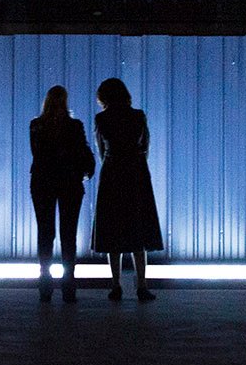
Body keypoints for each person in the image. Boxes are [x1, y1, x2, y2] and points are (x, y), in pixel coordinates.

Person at [89, 77, 162, 302]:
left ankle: (116, 286)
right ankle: (141, 285)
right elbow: (145, 146)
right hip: (136, 172)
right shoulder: (138, 116)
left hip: (112, 173)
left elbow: (101, 150)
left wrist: (112, 162)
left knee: (113, 231)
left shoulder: (101, 118)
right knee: (137, 230)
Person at [27, 86, 96, 304]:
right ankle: (69, 286)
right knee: (69, 234)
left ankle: (45, 285)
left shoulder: (36, 126)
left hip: (42, 182)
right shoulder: (74, 126)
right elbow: (83, 152)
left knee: (45, 233)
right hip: (69, 183)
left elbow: (37, 154)